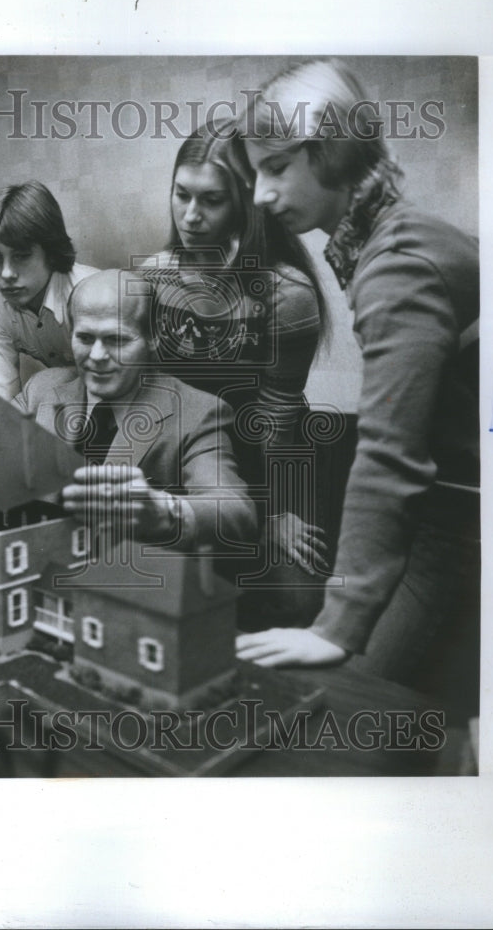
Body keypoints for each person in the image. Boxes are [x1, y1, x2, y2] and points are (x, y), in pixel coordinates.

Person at [235, 59, 480, 715]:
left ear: (329, 152)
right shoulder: (390, 239)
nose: (259, 193)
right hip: (448, 515)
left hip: (459, 521)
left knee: (354, 709)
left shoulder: (396, 262)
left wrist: (336, 627)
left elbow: (388, 452)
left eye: (275, 166)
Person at [137, 125, 331, 620]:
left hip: (268, 459)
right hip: (190, 459)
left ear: (246, 203)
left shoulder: (287, 295)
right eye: (182, 195)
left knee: (297, 596)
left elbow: (278, 417)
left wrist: (273, 513)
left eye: (212, 200)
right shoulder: (152, 280)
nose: (191, 216)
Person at [13, 269, 256, 551]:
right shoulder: (41, 388)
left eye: (116, 340)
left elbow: (237, 510)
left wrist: (165, 513)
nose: (97, 356)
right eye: (86, 338)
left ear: (153, 338)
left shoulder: (198, 413)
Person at [0, 180, 96, 399]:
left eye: (21, 256)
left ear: (51, 251)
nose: (7, 273)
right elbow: (1, 402)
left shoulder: (90, 294)